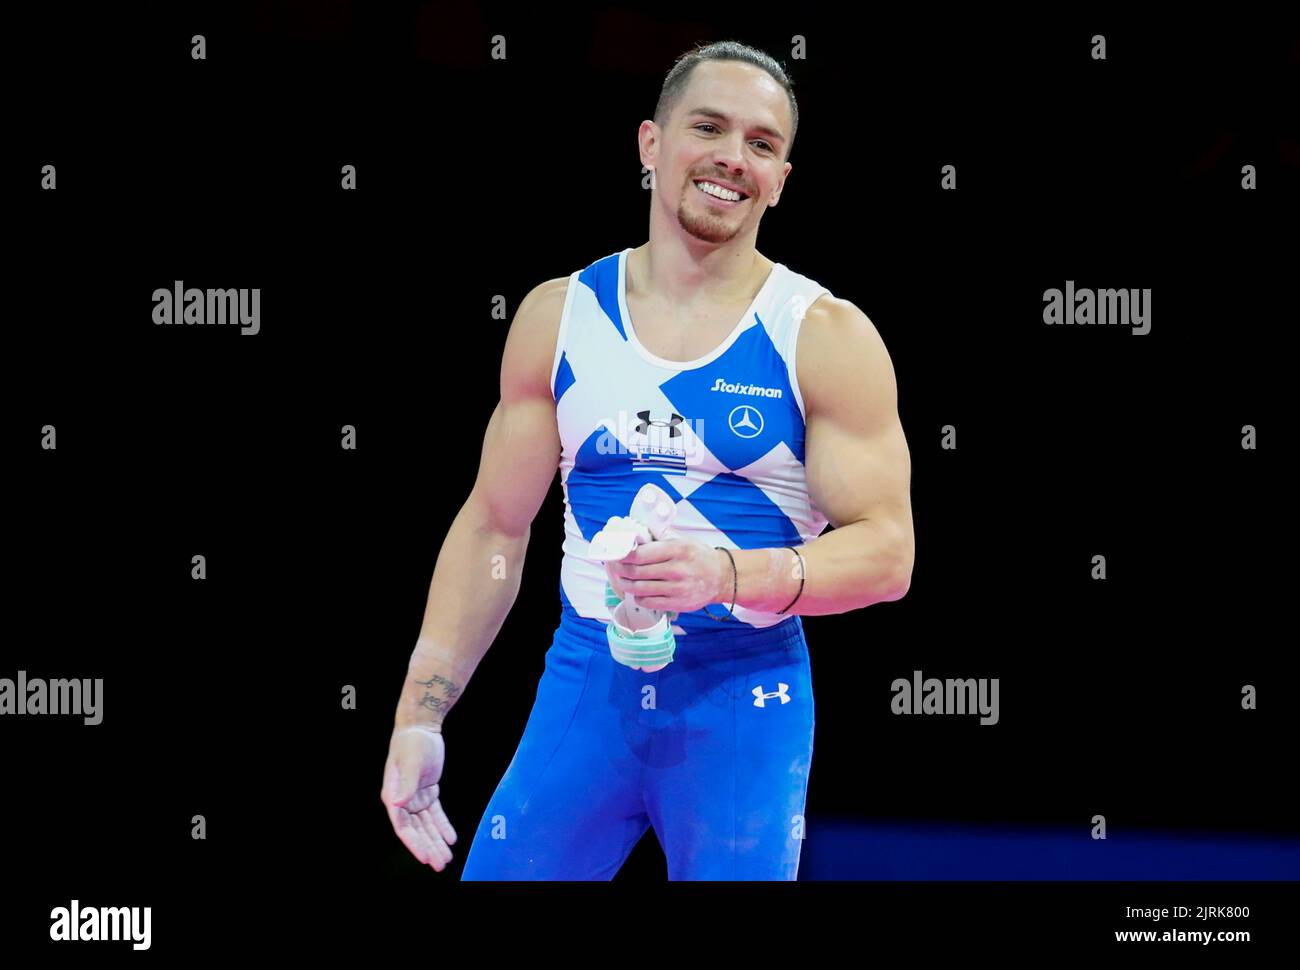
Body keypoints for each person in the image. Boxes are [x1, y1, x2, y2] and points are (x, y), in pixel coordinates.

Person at [381, 40, 914, 880]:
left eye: (763, 144)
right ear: (650, 145)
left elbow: (888, 554)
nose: (733, 159)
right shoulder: (559, 317)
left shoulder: (823, 336)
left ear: (781, 178)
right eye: (709, 127)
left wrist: (727, 574)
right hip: (589, 683)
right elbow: (494, 525)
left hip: (744, 699)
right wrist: (420, 716)